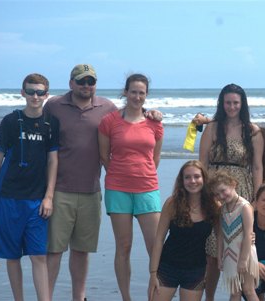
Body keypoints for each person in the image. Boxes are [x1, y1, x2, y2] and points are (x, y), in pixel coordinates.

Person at [44, 64, 118, 301]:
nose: (86, 86)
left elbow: (131, 120)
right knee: (54, 250)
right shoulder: (54, 105)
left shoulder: (107, 107)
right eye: (81, 81)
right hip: (59, 191)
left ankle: (80, 297)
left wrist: (152, 114)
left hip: (91, 190)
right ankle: (46, 296)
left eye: (91, 81)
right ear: (71, 83)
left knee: (81, 250)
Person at [0, 73, 59, 300]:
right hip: (7, 197)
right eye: (30, 91)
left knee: (39, 256)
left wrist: (49, 197)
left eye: (39, 92)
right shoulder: (10, 121)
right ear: (22, 93)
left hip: (37, 200)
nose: (35, 96)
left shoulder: (51, 123)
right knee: (12, 255)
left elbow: (53, 160)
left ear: (46, 95)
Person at [98, 73, 164, 300]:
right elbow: (104, 156)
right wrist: (122, 174)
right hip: (118, 189)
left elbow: (155, 159)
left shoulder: (155, 123)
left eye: (141, 93)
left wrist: (140, 174)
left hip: (147, 188)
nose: (137, 96)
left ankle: (155, 295)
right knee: (123, 246)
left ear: (146, 95)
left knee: (155, 248)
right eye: (133, 91)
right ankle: (126, 297)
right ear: (125, 92)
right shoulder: (109, 122)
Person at [198, 83, 263, 300]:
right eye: (228, 102)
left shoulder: (252, 130)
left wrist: (255, 199)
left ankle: (242, 291)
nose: (232, 107)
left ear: (242, 103)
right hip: (215, 192)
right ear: (222, 103)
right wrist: (204, 195)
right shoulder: (213, 128)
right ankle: (210, 296)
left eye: (236, 102)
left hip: (240, 190)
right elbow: (203, 162)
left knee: (238, 240)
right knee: (213, 246)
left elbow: (256, 166)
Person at [148, 160, 219, 301]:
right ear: (182, 181)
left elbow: (223, 234)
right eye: (187, 177)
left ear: (204, 179)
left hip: (195, 270)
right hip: (167, 267)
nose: (192, 181)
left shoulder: (213, 206)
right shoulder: (172, 203)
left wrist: (250, 235)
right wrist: (153, 273)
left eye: (197, 176)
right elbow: (159, 240)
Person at [209, 169, 259, 301]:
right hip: (229, 255)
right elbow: (220, 235)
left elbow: (249, 234)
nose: (221, 196)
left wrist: (243, 260)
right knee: (234, 291)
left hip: (245, 254)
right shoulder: (222, 209)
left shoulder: (245, 207)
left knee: (248, 290)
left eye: (223, 190)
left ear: (233, 184)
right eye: (217, 194)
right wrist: (220, 257)